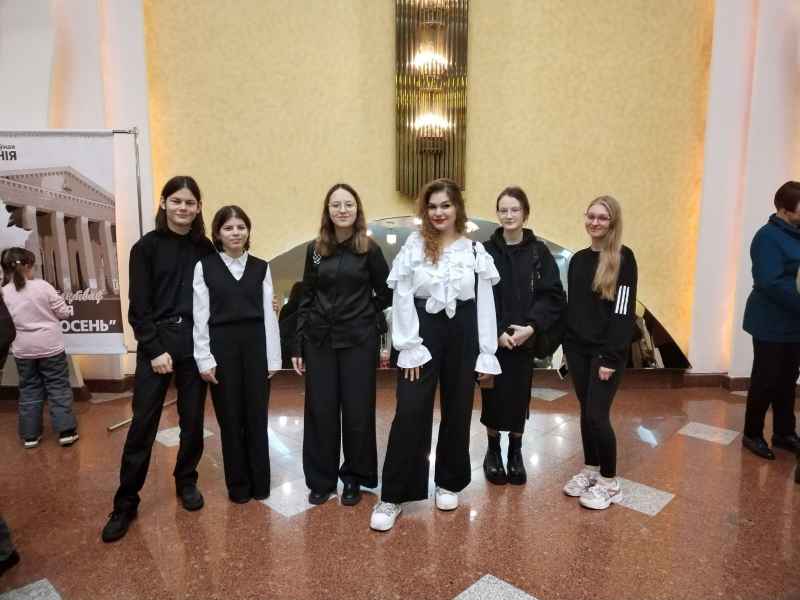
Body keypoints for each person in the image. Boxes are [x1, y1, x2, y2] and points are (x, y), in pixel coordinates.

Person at [370, 178, 501, 532]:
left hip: (463, 331)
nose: (439, 212)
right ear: (424, 211)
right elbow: (401, 297)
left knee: (458, 408)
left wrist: (486, 353)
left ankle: (449, 481)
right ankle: (393, 496)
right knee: (411, 409)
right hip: (422, 330)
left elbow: (484, 304)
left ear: (457, 208)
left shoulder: (474, 250)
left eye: (445, 205)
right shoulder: (414, 245)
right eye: (432, 206)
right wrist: (409, 345)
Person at [102, 176, 216, 543]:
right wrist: (154, 349)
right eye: (176, 201)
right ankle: (125, 502)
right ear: (164, 203)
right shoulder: (145, 248)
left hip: (194, 343)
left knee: (193, 422)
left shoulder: (205, 248)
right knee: (143, 425)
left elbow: (219, 292)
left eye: (190, 202)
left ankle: (186, 481)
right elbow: (138, 307)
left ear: (198, 208)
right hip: (157, 343)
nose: (183, 207)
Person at [291, 184, 391, 506]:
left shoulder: (369, 249)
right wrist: (297, 344)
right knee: (320, 411)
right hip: (319, 340)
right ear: (328, 210)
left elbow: (387, 292)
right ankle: (321, 480)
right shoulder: (315, 249)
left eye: (348, 204)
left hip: (358, 341)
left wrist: (365, 314)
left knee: (358, 411)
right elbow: (306, 297)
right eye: (336, 205)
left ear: (357, 210)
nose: (343, 210)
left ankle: (354, 478)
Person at [193, 205, 281, 503]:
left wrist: (273, 358)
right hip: (221, 349)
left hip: (256, 347)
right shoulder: (204, 267)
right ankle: (238, 485)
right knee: (230, 420)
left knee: (257, 418)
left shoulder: (261, 267)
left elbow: (269, 316)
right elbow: (200, 317)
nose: (235, 233)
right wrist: (204, 359)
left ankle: (261, 483)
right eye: (228, 228)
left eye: (241, 227)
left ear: (248, 231)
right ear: (217, 233)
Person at [481, 187, 566, 486]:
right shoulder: (485, 251)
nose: (509, 215)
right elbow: (479, 295)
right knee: (491, 396)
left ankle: (515, 453)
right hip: (492, 341)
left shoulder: (538, 252)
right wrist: (497, 332)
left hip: (525, 339)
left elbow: (553, 295)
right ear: (497, 214)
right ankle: (493, 452)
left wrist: (531, 327)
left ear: (525, 213)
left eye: (514, 209)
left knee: (519, 397)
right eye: (503, 210)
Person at [562, 195, 637, 510]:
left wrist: (611, 356)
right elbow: (574, 308)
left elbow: (623, 312)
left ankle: (609, 482)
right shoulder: (578, 260)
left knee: (597, 414)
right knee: (585, 411)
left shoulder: (623, 258)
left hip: (606, 353)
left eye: (602, 217)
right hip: (577, 350)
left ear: (612, 222)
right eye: (591, 216)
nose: (595, 222)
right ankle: (590, 469)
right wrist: (565, 350)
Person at [741, 181, 800, 460]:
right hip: (770, 322)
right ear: (785, 209)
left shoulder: (797, 233)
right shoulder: (766, 237)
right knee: (766, 380)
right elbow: (770, 282)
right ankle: (752, 434)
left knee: (788, 379)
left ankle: (784, 432)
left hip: (794, 323)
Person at [1, 247, 76, 449]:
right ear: (27, 266)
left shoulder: (4, 293)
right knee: (58, 386)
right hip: (50, 347)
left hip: (22, 350)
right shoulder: (43, 287)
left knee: (29, 389)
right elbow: (63, 312)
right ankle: (66, 433)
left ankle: (30, 436)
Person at [279, 282, 303, 370]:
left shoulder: (285, 307)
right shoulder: (304, 308)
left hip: (286, 346)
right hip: (300, 345)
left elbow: (280, 328)